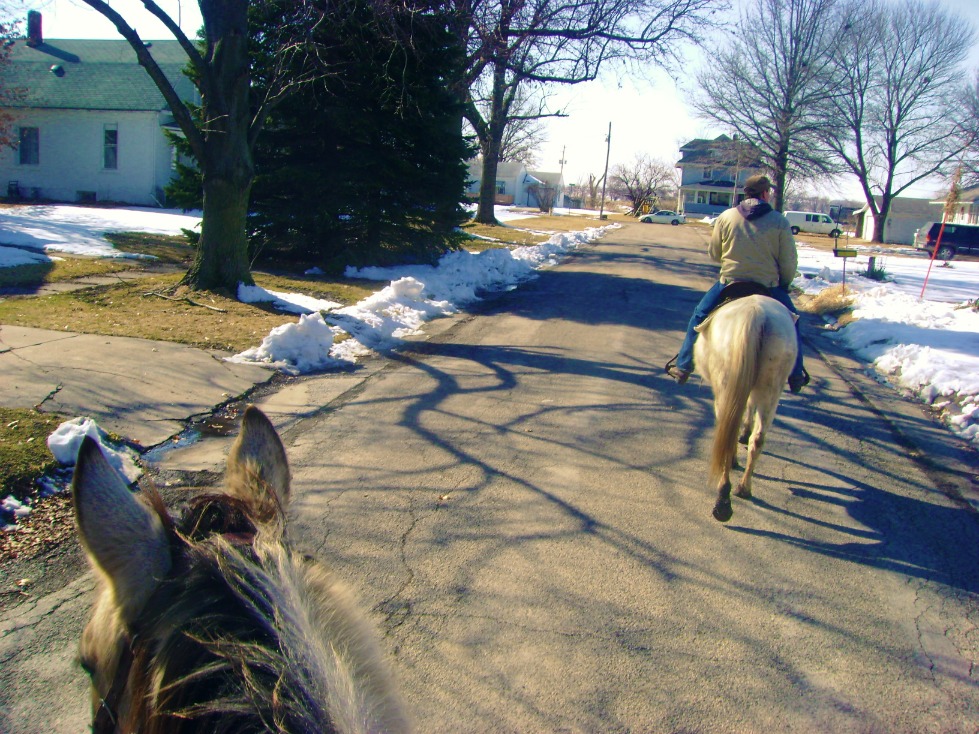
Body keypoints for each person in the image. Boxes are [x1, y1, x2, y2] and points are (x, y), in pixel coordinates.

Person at [665, 174, 810, 393]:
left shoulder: (726, 217)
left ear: (746, 193)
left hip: (731, 283)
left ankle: (684, 366)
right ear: (764, 193)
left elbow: (715, 253)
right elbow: (788, 261)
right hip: (767, 285)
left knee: (699, 317)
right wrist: (784, 283)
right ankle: (796, 375)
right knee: (794, 322)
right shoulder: (780, 221)